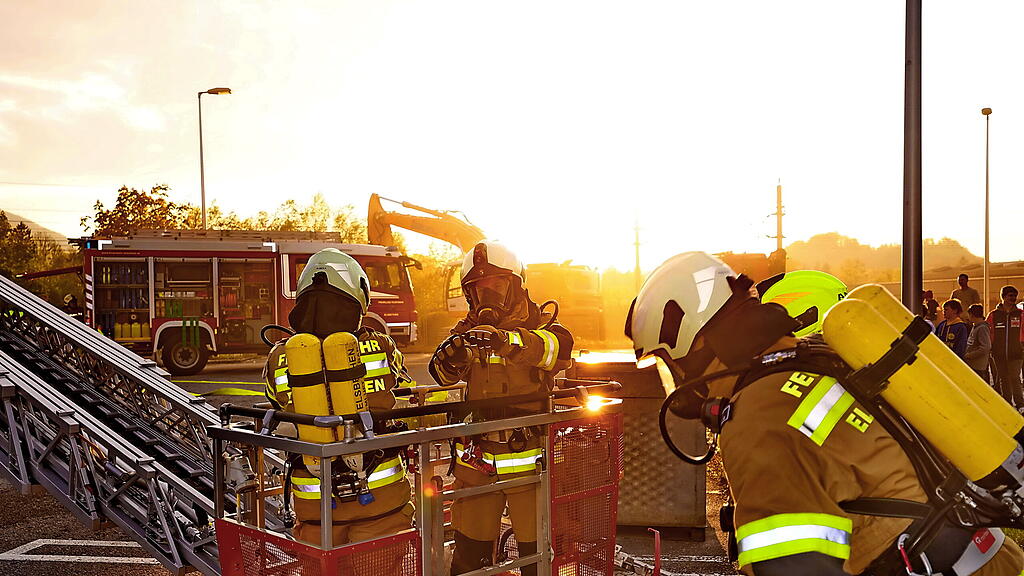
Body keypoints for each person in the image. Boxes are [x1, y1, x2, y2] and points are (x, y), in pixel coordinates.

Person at [625, 252, 1023, 576]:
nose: (674, 385)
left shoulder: (757, 422)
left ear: (688, 343)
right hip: (988, 558)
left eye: (665, 363)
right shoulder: (816, 360)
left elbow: (795, 568)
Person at [429, 241, 572, 576]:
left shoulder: (543, 325)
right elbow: (441, 375)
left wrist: (508, 341)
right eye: (479, 289)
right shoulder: (466, 331)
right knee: (468, 562)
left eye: (496, 285)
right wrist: (453, 355)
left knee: (537, 561)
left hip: (530, 464)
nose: (487, 296)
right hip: (476, 464)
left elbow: (556, 350)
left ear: (516, 285)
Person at [262, 248, 413, 546]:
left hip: (315, 503)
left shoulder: (280, 355)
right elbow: (396, 376)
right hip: (380, 499)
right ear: (359, 296)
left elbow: (275, 398)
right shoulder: (381, 345)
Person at [987, 285, 1024, 409]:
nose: (1013, 298)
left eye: (1014, 296)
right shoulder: (993, 315)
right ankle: (1007, 404)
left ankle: (1020, 404)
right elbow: (988, 332)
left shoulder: (1021, 314)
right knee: (1003, 379)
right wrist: (991, 348)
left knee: (1015, 378)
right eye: (1010, 296)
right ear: (1003, 297)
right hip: (998, 353)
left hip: (1017, 353)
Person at [965, 303, 993, 382]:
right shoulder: (975, 327)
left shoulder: (982, 328)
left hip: (979, 366)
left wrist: (969, 355)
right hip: (974, 364)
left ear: (972, 315)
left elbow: (985, 347)